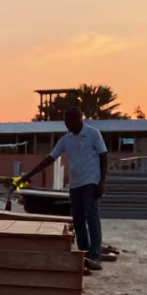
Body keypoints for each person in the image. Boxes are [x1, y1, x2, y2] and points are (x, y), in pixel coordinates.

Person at [22, 107, 108, 270]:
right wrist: (29, 174)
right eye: (65, 123)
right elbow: (50, 158)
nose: (67, 126)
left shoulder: (93, 134)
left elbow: (104, 157)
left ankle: (95, 255)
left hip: (91, 182)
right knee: (77, 220)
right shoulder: (65, 140)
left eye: (70, 122)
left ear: (79, 119)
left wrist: (102, 182)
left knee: (92, 216)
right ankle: (83, 252)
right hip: (75, 185)